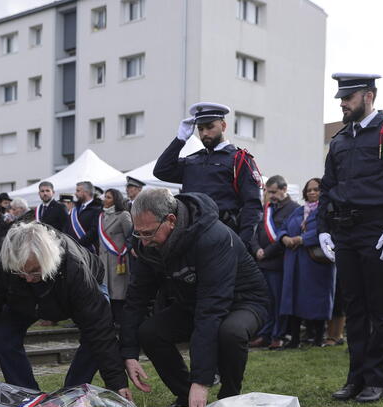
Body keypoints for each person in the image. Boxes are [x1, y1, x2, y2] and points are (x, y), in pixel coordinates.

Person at [317, 73, 383, 403]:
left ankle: (378, 379)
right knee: (355, 307)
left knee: (381, 308)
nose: (342, 103)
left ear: (369, 96)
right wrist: (322, 227)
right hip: (346, 231)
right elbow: (327, 187)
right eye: (341, 98)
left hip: (379, 230)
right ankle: (356, 378)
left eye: (348, 97)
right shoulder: (340, 139)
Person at [121, 188, 267, 407]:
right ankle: (185, 395)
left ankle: (228, 398)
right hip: (193, 300)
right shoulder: (146, 242)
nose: (144, 241)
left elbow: (211, 309)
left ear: (171, 220)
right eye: (138, 233)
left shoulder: (213, 237)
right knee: (150, 332)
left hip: (243, 300)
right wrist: (129, 352)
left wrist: (202, 379)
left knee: (231, 332)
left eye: (148, 233)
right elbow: (136, 297)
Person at [0, 222, 133, 401]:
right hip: (24, 299)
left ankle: (71, 395)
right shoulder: (6, 265)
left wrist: (117, 383)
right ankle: (27, 395)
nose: (29, 278)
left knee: (92, 340)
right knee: (2, 333)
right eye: (21, 272)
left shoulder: (74, 268)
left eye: (35, 271)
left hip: (76, 289)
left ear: (47, 260)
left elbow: (99, 329)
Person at [153, 102, 263, 248]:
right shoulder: (193, 160)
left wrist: (242, 244)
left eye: (210, 127)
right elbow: (161, 170)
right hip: (190, 236)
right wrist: (180, 140)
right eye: (200, 128)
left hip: (223, 237)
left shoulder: (239, 159)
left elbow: (253, 205)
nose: (204, 133)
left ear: (223, 126)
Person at [279, 179, 336, 347]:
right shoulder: (298, 211)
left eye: (316, 189)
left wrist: (302, 239)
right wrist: (284, 238)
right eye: (309, 190)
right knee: (293, 299)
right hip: (294, 262)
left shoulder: (327, 210)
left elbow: (326, 230)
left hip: (315, 263)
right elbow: (283, 227)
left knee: (317, 298)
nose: (312, 192)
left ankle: (318, 338)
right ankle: (295, 339)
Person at [248, 175, 300, 349]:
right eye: (268, 192)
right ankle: (264, 334)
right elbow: (256, 232)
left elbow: (283, 236)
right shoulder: (268, 208)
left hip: (278, 263)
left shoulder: (294, 209)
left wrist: (267, 252)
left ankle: (277, 335)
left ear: (284, 190)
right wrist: (256, 249)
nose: (270, 195)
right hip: (261, 263)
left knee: (278, 302)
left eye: (274, 192)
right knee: (265, 301)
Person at [98, 188, 133, 327]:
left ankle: (120, 321)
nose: (104, 199)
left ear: (115, 200)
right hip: (104, 260)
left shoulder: (123, 215)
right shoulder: (101, 216)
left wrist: (124, 251)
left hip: (118, 260)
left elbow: (130, 236)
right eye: (104, 197)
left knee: (118, 293)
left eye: (108, 197)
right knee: (107, 291)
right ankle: (109, 319)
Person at [63, 181, 102, 252]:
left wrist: (78, 243)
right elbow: (67, 227)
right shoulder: (75, 209)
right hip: (73, 249)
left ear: (86, 192)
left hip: (89, 250)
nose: (75, 193)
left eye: (78, 191)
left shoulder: (97, 209)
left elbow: (94, 231)